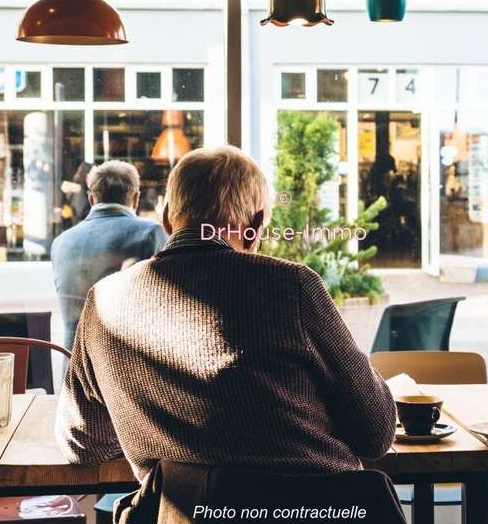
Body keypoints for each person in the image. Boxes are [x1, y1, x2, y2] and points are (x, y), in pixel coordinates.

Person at [56, 145, 396, 481]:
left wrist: (153, 422)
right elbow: (375, 432)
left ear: (166, 218)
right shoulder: (292, 286)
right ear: (257, 223)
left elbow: (82, 444)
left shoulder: (103, 302)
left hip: (185, 521)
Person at [50, 160, 167, 352]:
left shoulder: (61, 242)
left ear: (91, 199)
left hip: (73, 368)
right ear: (136, 198)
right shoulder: (150, 233)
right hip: (124, 369)